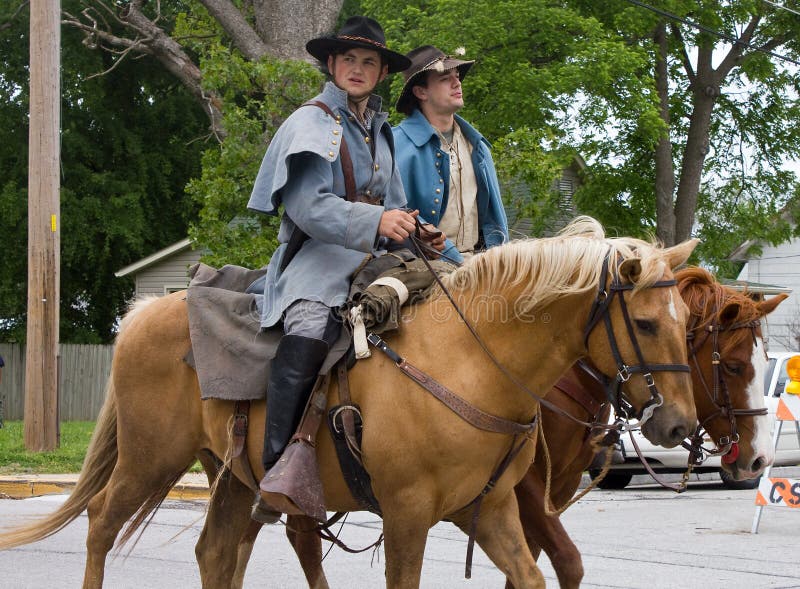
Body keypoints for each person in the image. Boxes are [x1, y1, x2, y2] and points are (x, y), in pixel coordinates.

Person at [246, 16, 420, 523]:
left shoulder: (379, 130)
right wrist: (379, 220)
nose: (359, 69)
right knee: (310, 327)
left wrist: (417, 228)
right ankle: (275, 470)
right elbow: (308, 208)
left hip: (375, 258)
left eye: (370, 62)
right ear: (331, 64)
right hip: (315, 261)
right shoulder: (310, 123)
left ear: (383, 73)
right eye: (350, 60)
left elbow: (397, 204)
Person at [393, 46, 509, 262]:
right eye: (445, 78)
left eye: (457, 76)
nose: (457, 83)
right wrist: (454, 260)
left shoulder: (477, 146)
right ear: (421, 92)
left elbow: (495, 222)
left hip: (482, 263)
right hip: (426, 265)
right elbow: (397, 214)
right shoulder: (395, 144)